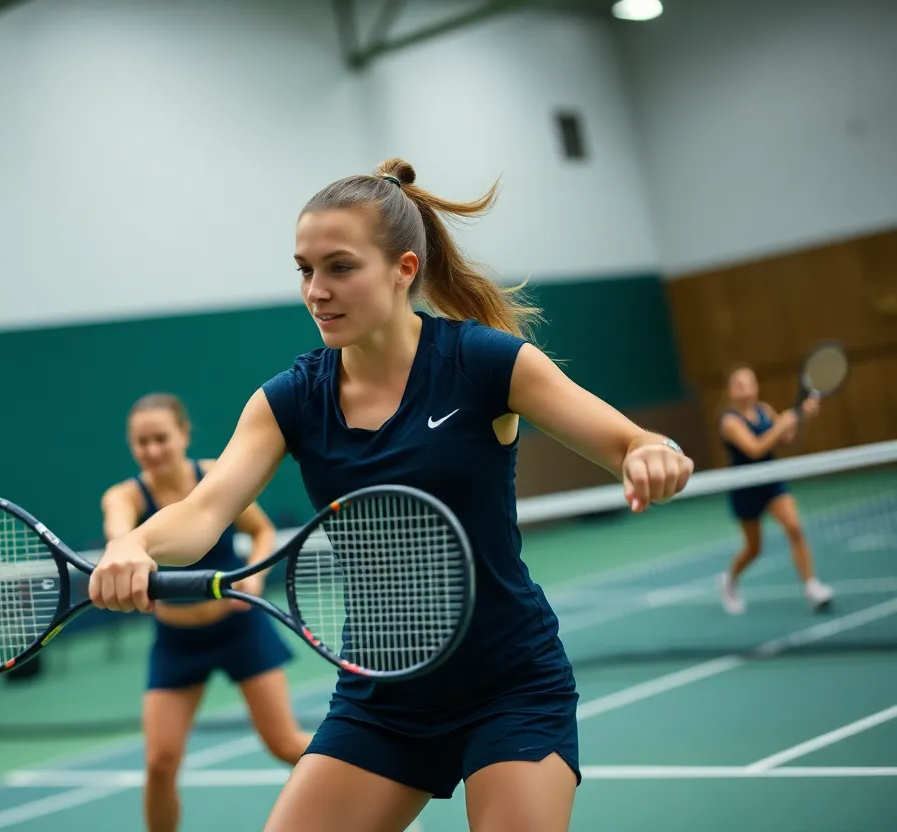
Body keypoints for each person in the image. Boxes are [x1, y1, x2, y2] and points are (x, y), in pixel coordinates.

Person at [88, 158, 694, 832]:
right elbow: (203, 513)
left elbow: (629, 441)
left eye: (340, 267)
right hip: (381, 697)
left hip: (510, 687)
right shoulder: (290, 400)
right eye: (304, 269)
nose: (316, 290)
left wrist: (650, 455)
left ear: (405, 270)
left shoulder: (484, 363)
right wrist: (134, 542)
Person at [100, 392, 313, 832]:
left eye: (162, 438)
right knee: (160, 761)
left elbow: (262, 531)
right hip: (177, 643)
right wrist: (124, 554)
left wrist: (255, 576)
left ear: (183, 435)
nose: (153, 450)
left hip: (240, 628)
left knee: (283, 742)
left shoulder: (215, 476)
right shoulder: (125, 497)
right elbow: (119, 535)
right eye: (142, 442)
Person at [716, 363, 834, 615]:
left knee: (795, 528)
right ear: (730, 391)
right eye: (740, 385)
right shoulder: (729, 421)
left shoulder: (765, 411)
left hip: (772, 481)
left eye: (750, 383)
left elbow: (785, 441)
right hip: (745, 488)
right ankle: (729, 580)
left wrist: (800, 416)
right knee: (754, 549)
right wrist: (783, 422)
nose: (746, 389)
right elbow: (755, 449)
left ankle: (812, 587)